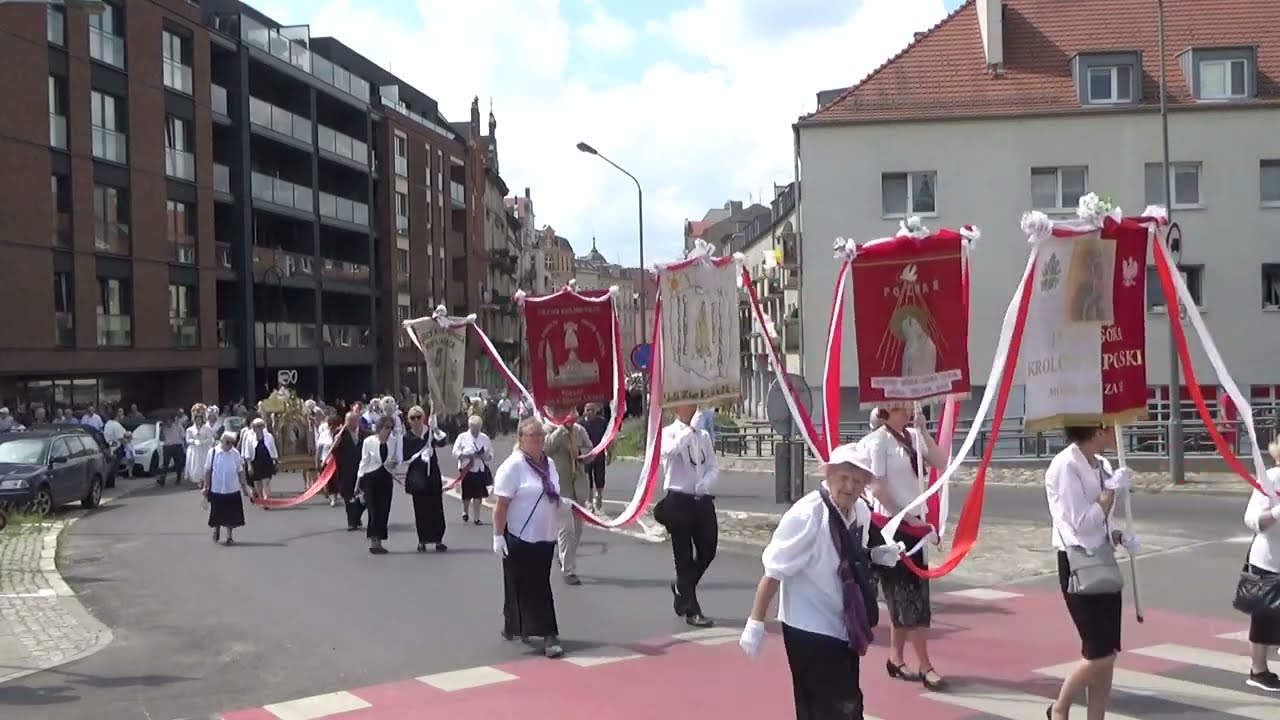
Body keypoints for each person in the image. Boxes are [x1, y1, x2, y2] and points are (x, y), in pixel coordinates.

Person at [739, 443, 902, 719]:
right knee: (832, 708)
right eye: (843, 478)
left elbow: (855, 553)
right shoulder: (807, 516)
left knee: (842, 705)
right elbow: (773, 572)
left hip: (844, 622)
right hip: (808, 627)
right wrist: (755, 623)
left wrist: (878, 554)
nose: (849, 486)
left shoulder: (860, 511)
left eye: (857, 480)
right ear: (829, 476)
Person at [1046, 425, 1140, 720]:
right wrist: (1110, 490)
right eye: (1108, 427)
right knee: (1100, 654)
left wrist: (1120, 536)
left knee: (1106, 652)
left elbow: (1102, 523)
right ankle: (1060, 707)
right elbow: (1083, 523)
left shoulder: (1103, 464)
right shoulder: (1065, 465)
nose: (1114, 432)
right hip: (1078, 563)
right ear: (1095, 430)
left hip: (1103, 559)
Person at [861, 405, 949, 690]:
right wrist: (910, 519)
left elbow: (939, 461)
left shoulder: (912, 436)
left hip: (915, 526)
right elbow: (879, 490)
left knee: (911, 596)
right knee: (908, 598)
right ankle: (925, 664)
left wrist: (924, 430)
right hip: (890, 526)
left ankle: (896, 658)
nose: (907, 410)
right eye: (900, 406)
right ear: (886, 412)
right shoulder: (877, 442)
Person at [492, 417, 565, 658]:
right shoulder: (512, 466)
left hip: (545, 534)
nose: (538, 441)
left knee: (528, 583)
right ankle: (549, 635)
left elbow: (553, 492)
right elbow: (501, 505)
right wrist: (498, 536)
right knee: (535, 586)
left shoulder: (549, 464)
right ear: (521, 439)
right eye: (532, 436)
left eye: (541, 436)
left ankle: (516, 626)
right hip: (520, 535)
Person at [655, 403, 720, 628]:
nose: (693, 408)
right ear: (676, 409)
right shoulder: (668, 433)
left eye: (695, 405)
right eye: (687, 405)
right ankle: (692, 610)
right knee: (683, 557)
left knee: (708, 549)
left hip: (701, 500)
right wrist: (688, 430)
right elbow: (670, 451)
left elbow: (712, 465)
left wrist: (707, 483)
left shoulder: (702, 435)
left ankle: (683, 588)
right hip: (678, 500)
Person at [1241, 438, 1280, 691]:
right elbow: (1252, 519)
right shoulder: (1272, 478)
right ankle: (1258, 670)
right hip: (1270, 561)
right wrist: (1277, 513)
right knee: (1264, 618)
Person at [545, 405, 593, 585]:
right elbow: (546, 449)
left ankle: (565, 556)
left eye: (572, 411)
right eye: (566, 412)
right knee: (566, 529)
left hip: (578, 485)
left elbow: (590, 449)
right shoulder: (549, 430)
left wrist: (583, 454)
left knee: (578, 529)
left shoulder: (580, 431)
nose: (571, 415)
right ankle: (569, 570)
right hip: (561, 487)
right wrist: (561, 429)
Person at [403, 407, 450, 552]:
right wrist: (418, 456)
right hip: (417, 476)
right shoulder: (407, 437)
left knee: (436, 507)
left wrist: (435, 429)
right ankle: (422, 539)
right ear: (409, 420)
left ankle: (438, 539)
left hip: (433, 475)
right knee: (421, 508)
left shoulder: (429, 433)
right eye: (413, 418)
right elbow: (404, 457)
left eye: (419, 417)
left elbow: (443, 442)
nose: (416, 420)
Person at [357, 417, 400, 554]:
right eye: (386, 427)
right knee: (373, 510)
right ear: (379, 428)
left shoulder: (394, 441)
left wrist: (395, 463)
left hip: (386, 476)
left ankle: (379, 540)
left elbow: (398, 458)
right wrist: (358, 481)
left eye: (390, 428)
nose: (388, 431)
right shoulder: (368, 442)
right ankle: (373, 540)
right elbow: (364, 461)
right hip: (370, 477)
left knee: (384, 509)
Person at [203, 431, 249, 546]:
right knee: (217, 513)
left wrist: (244, 486)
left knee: (231, 515)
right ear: (222, 441)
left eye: (232, 443)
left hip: (232, 488)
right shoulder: (213, 452)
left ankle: (229, 536)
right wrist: (205, 486)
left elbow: (240, 471)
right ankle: (216, 529)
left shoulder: (235, 454)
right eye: (228, 443)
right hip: (217, 488)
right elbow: (208, 470)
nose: (230, 446)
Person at [453, 415, 494, 525]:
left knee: (478, 495)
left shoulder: (484, 438)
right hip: (467, 469)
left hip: (480, 469)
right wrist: (466, 455)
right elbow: (455, 452)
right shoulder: (462, 437)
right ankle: (465, 511)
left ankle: (477, 518)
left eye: (478, 428)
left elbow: (490, 454)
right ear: (469, 426)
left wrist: (483, 456)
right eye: (474, 428)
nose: (476, 430)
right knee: (467, 494)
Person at [333, 411, 365, 531]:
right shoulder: (339, 433)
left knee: (363, 496)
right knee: (348, 496)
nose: (351, 423)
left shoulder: (364, 433)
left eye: (354, 420)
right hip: (346, 469)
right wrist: (336, 443)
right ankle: (352, 522)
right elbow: (334, 450)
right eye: (349, 420)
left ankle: (356, 516)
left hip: (361, 469)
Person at [579, 403, 612, 512]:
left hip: (599, 454)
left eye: (592, 410)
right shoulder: (580, 424)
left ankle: (599, 496)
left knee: (600, 478)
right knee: (588, 479)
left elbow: (608, 438)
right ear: (584, 411)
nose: (590, 412)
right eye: (588, 410)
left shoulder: (602, 422)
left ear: (596, 411)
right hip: (586, 455)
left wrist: (609, 452)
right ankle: (589, 502)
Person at [241, 418, 279, 506]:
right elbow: (247, 452)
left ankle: (266, 500)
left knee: (266, 482)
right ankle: (261, 499)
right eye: (255, 426)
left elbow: (273, 449)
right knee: (257, 482)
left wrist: (275, 461)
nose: (256, 428)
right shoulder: (249, 437)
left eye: (259, 426)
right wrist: (249, 465)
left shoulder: (269, 436)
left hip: (267, 461)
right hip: (255, 462)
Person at [184, 404, 216, 486]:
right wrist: (194, 441)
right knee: (196, 465)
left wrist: (202, 442)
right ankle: (198, 480)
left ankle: (205, 479)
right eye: (197, 419)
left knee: (204, 464)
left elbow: (209, 439)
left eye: (200, 419)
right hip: (195, 449)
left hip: (204, 449)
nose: (198, 421)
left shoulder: (207, 428)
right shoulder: (190, 429)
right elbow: (188, 440)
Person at [159, 416, 186, 487]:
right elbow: (161, 438)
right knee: (165, 464)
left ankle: (178, 478)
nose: (168, 422)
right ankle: (162, 479)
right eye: (167, 421)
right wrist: (161, 429)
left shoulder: (177, 426)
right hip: (167, 447)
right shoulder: (163, 428)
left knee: (178, 463)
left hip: (177, 446)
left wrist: (179, 439)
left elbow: (183, 435)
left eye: (170, 420)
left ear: (172, 420)